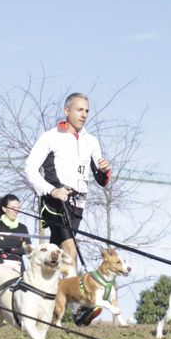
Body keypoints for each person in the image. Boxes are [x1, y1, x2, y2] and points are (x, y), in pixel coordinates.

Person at [25, 92, 111, 276]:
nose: (84, 114)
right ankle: (75, 299)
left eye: (87, 111)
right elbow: (30, 169)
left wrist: (104, 171)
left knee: (55, 253)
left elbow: (101, 179)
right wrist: (52, 191)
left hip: (78, 205)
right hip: (54, 202)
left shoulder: (91, 141)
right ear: (66, 110)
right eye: (79, 110)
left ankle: (46, 294)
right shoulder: (50, 137)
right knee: (70, 250)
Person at [0, 194, 29, 273]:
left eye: (18, 208)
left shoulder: (23, 228)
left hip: (18, 267)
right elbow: (0, 244)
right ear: (4, 208)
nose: (16, 210)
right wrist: (18, 247)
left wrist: (8, 247)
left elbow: (27, 248)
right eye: (13, 208)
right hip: (0, 265)